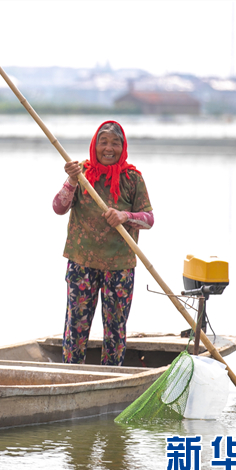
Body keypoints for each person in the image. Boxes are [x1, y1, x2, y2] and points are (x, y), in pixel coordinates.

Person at [52, 120, 153, 366]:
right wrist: (71, 181)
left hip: (119, 267)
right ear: (95, 146)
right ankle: (71, 374)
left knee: (116, 330)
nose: (109, 148)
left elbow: (149, 220)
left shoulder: (132, 178)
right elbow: (58, 207)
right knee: (76, 326)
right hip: (82, 264)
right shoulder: (81, 174)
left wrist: (124, 216)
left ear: (123, 146)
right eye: (103, 142)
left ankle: (112, 375)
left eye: (115, 143)